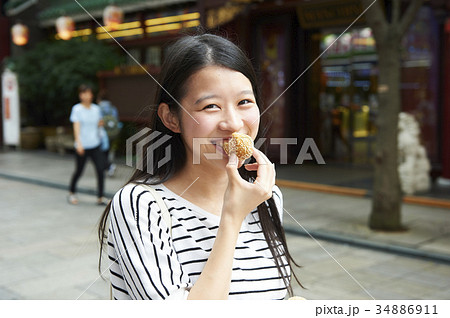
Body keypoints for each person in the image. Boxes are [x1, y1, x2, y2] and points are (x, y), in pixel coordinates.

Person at [98, 34, 302, 300]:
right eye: (211, 106)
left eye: (244, 102)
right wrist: (232, 217)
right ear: (171, 118)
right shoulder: (140, 205)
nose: (233, 123)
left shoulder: (267, 197)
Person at [68, 84, 107, 205]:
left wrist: (101, 124)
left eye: (88, 93)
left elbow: (99, 124)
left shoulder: (96, 109)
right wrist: (78, 143)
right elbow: (76, 127)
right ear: (80, 95)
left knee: (101, 169)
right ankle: (72, 192)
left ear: (92, 95)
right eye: (83, 93)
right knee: (79, 171)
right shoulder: (77, 109)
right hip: (82, 146)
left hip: (95, 144)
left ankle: (100, 197)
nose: (86, 96)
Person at [97, 90, 121, 177]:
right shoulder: (112, 108)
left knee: (100, 152)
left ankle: (109, 166)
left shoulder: (98, 108)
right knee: (107, 151)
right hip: (113, 133)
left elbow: (98, 122)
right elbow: (117, 120)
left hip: (102, 134)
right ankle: (108, 167)